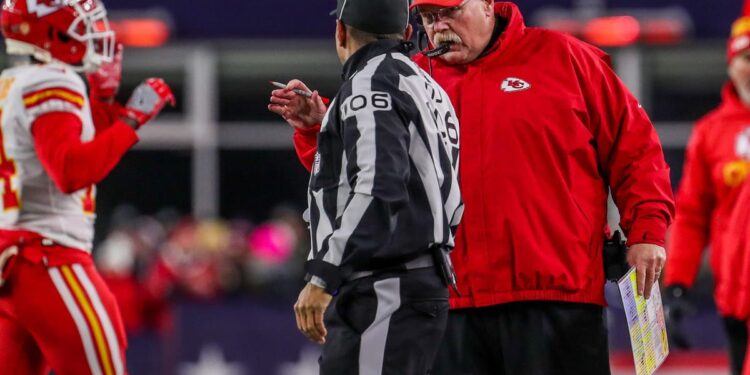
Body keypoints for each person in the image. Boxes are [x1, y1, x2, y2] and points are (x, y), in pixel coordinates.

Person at [274, 0, 675, 374]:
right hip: (450, 305)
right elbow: (374, 180)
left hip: (557, 299)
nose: (438, 28)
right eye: (427, 18)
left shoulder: (565, 58)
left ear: (487, 4)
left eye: (450, 12)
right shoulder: (410, 80)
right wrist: (317, 132)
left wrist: (647, 232)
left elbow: (636, 151)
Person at [269, 0, 463, 373]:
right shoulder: (428, 86)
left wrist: (324, 274)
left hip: (387, 289)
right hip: (420, 283)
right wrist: (323, 127)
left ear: (340, 31)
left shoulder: (370, 82)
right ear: (407, 34)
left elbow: (379, 187)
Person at [0, 0, 174, 374]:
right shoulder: (52, 80)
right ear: (48, 30)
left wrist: (104, 101)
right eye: (82, 23)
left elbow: (73, 157)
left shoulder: (12, 82)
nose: (94, 32)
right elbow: (71, 172)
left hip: (15, 262)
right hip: (48, 259)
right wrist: (132, 119)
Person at [664, 2, 750, 374]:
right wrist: (678, 284)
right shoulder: (711, 132)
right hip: (736, 301)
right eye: (745, 57)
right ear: (731, 65)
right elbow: (691, 215)